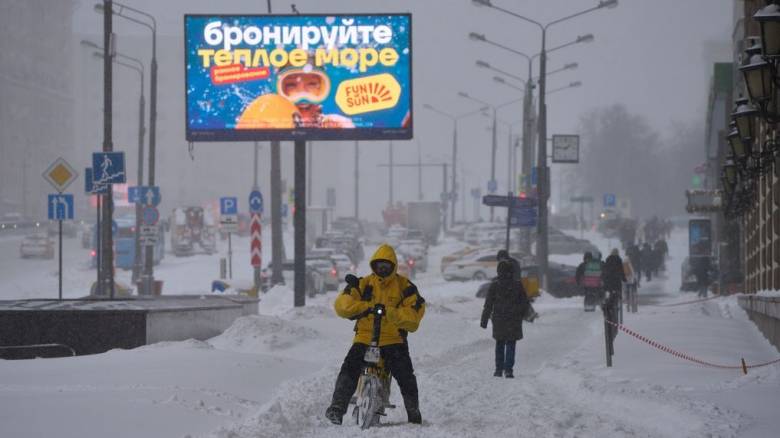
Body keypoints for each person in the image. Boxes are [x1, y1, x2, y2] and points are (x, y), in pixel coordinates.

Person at [325, 244, 426, 425]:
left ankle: (413, 411)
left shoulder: (406, 287)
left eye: (387, 266)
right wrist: (365, 307)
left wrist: (391, 312)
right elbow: (342, 305)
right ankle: (337, 408)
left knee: (405, 376)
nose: (383, 269)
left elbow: (414, 317)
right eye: (379, 265)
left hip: (394, 340)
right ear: (373, 265)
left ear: (393, 266)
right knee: (349, 368)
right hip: (364, 338)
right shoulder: (363, 284)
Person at [480, 261, 530, 378]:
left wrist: (484, 320)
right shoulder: (517, 285)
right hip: (513, 319)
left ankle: (498, 369)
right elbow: (524, 303)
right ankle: (508, 370)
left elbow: (488, 304)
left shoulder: (495, 285)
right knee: (511, 344)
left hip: (499, 318)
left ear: (498, 271)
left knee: (500, 343)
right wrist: (521, 314)